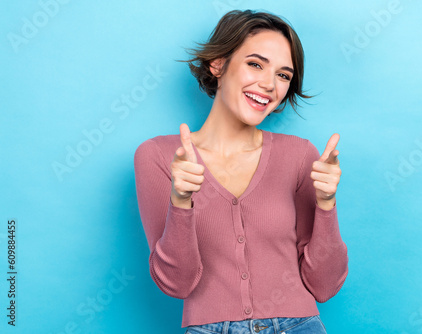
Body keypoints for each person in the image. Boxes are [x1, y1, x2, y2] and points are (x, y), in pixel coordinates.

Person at [134, 9, 348, 334]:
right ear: (218, 63)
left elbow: (324, 286)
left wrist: (327, 204)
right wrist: (181, 202)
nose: (268, 84)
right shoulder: (159, 156)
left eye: (283, 75)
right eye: (255, 64)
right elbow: (176, 284)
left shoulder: (301, 155)